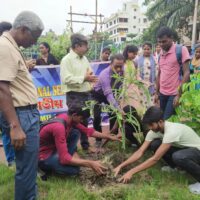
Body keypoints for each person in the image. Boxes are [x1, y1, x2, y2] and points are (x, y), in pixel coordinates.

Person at [0, 11, 44, 200]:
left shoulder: (11, 46)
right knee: (27, 168)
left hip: (25, 114)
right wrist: (15, 126)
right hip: (21, 116)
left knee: (29, 166)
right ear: (23, 29)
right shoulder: (4, 47)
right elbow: (2, 88)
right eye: (34, 37)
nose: (34, 43)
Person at [113, 106, 200, 195]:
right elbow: (140, 151)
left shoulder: (172, 131)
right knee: (155, 144)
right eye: (148, 125)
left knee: (178, 156)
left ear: (160, 122)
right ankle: (176, 168)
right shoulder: (153, 132)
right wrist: (121, 166)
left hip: (197, 151)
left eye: (151, 125)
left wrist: (131, 172)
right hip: (183, 149)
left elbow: (155, 159)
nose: (150, 128)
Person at [38, 106, 120, 176]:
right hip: (43, 155)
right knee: (74, 171)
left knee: (75, 132)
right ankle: (44, 167)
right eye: (81, 119)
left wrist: (108, 136)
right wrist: (90, 163)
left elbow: (88, 131)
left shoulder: (68, 118)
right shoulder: (59, 127)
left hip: (53, 147)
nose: (81, 121)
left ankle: (68, 155)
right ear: (74, 115)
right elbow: (64, 159)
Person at [60, 33, 98, 151]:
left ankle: (85, 145)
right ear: (77, 46)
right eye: (85, 45)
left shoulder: (84, 58)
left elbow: (89, 72)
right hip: (74, 95)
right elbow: (66, 79)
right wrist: (84, 78)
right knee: (74, 122)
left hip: (86, 93)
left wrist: (90, 79)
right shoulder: (67, 60)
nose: (87, 48)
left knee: (85, 120)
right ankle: (71, 148)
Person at [155, 26, 190, 119]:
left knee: (167, 120)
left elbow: (187, 73)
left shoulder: (181, 50)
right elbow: (159, 73)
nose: (161, 44)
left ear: (171, 38)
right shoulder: (160, 54)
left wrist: (179, 94)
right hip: (162, 93)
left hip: (174, 94)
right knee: (162, 119)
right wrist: (156, 92)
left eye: (164, 41)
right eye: (159, 42)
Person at [92, 54, 125, 147]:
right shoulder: (104, 74)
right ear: (111, 64)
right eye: (116, 66)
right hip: (98, 95)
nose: (119, 69)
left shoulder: (123, 71)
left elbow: (122, 86)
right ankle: (98, 140)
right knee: (97, 116)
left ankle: (111, 137)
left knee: (114, 115)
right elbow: (108, 94)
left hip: (112, 94)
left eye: (120, 66)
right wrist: (118, 108)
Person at [0, 21, 15, 166]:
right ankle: (11, 160)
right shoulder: (4, 49)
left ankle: (12, 160)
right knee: (7, 130)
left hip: (8, 99)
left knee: (7, 130)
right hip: (4, 100)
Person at [137, 42, 157, 107]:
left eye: (148, 49)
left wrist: (156, 84)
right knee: (142, 103)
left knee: (151, 103)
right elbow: (136, 73)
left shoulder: (155, 59)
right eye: (144, 49)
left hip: (151, 84)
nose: (146, 51)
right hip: (141, 85)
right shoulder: (138, 60)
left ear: (151, 49)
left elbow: (157, 71)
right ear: (142, 49)